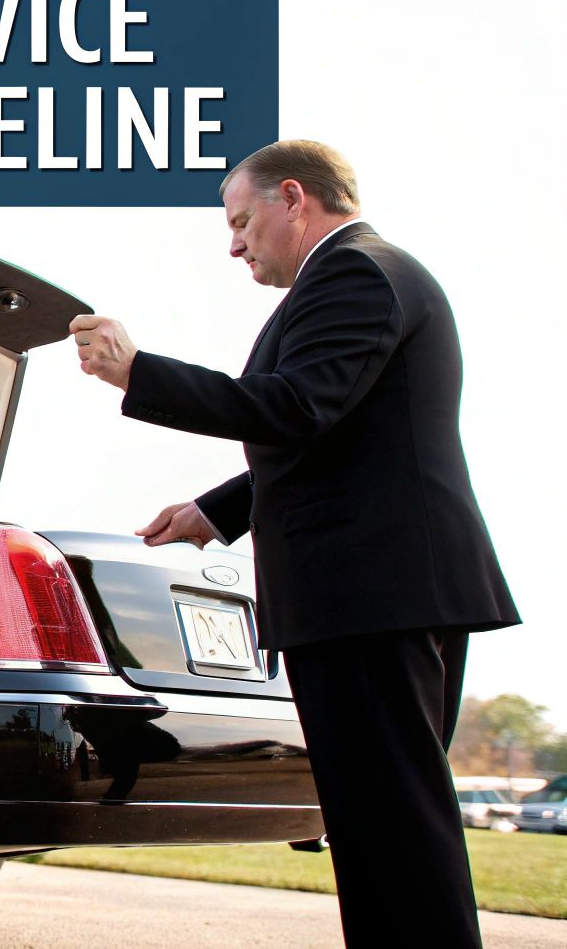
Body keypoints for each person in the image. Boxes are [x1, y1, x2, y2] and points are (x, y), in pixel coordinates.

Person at [69, 139, 520, 947]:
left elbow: (296, 406)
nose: (234, 244)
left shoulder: (355, 271)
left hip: (373, 595)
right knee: (377, 825)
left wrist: (137, 372)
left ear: (293, 199)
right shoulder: (361, 275)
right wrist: (218, 510)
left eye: (242, 222)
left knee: (396, 827)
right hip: (376, 593)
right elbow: (336, 432)